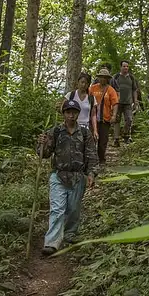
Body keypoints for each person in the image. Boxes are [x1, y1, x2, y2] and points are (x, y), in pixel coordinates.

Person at [36, 99, 98, 256]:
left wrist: (91, 173)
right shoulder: (55, 132)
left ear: (78, 114)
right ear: (63, 114)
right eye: (68, 112)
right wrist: (41, 144)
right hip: (58, 175)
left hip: (78, 176)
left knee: (73, 209)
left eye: (74, 112)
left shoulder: (84, 133)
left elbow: (91, 154)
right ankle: (52, 242)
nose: (71, 115)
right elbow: (45, 154)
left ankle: (70, 234)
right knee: (57, 209)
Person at [89, 68, 119, 165]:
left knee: (102, 141)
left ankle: (101, 159)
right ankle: (92, 160)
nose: (102, 79)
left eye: (104, 78)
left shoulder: (111, 90)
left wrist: (114, 115)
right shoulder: (92, 88)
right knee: (91, 140)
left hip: (105, 119)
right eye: (101, 77)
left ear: (107, 79)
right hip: (92, 119)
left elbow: (115, 103)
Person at [111, 59, 140, 146]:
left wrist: (135, 101)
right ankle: (116, 139)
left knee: (129, 119)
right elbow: (111, 90)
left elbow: (134, 90)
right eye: (124, 66)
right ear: (121, 67)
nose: (125, 68)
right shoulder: (115, 77)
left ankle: (126, 135)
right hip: (117, 103)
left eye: (127, 66)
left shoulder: (131, 78)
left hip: (128, 103)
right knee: (117, 120)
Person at [63, 72, 98, 140]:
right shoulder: (70, 95)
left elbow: (93, 115)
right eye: (82, 82)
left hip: (85, 128)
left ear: (88, 85)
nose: (83, 85)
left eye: (86, 83)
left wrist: (95, 130)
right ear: (78, 82)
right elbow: (63, 110)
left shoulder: (91, 98)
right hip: (71, 127)